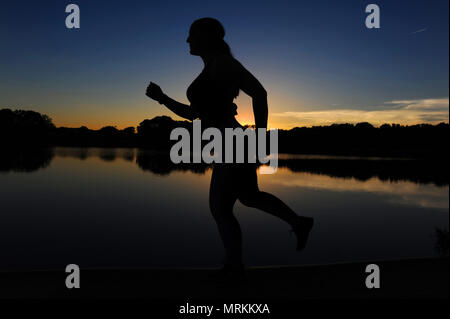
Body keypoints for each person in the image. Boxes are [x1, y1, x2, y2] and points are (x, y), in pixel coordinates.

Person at [146, 17, 313, 280]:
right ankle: (298, 223)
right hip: (232, 143)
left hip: (235, 144)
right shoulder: (213, 66)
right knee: (248, 197)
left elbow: (260, 93)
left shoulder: (222, 64)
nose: (187, 40)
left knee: (220, 209)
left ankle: (234, 267)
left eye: (192, 34)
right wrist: (163, 99)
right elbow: (195, 115)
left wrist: (260, 137)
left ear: (207, 37)